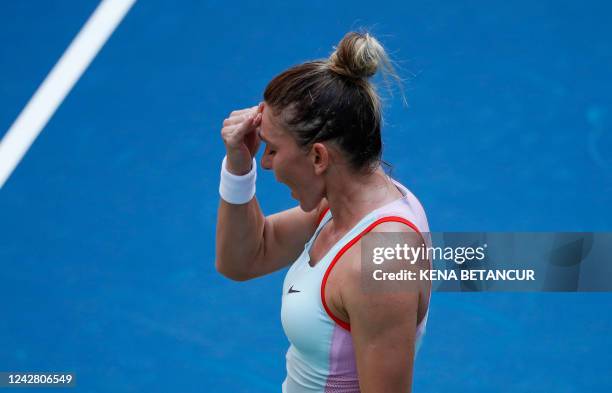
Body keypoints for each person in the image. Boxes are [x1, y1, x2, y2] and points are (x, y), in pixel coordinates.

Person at [215, 31, 431, 393]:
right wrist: (238, 168)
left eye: (270, 149)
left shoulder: (381, 261)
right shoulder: (343, 206)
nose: (264, 163)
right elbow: (244, 259)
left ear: (318, 157)